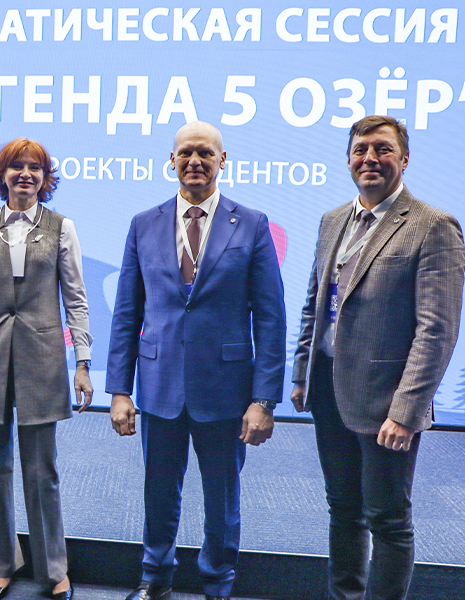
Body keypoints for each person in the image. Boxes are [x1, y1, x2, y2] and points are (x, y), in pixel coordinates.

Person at [106, 122, 286, 600]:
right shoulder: (143, 223)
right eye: (185, 152)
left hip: (226, 390)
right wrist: (120, 390)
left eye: (205, 153)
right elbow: (126, 312)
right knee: (158, 492)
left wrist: (264, 399)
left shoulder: (252, 223)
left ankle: (218, 583)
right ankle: (155, 578)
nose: (195, 161)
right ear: (171, 160)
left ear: (223, 160)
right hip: (159, 385)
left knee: (222, 499)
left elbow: (271, 317)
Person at [291, 116, 465, 600]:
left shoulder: (433, 226)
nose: (370, 158)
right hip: (329, 389)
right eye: (360, 149)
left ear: (404, 159)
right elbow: (315, 304)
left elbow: (437, 331)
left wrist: (406, 412)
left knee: (387, 519)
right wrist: (302, 374)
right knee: (343, 509)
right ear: (349, 160)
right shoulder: (332, 220)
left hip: (387, 402)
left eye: (383, 149)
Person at [0, 137, 93, 600]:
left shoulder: (61, 228)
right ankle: (1, 564)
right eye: (17, 166)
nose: (26, 174)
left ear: (45, 177)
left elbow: (76, 300)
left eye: (35, 167)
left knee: (41, 472)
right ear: (3, 175)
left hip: (43, 359)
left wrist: (83, 363)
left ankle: (54, 570)